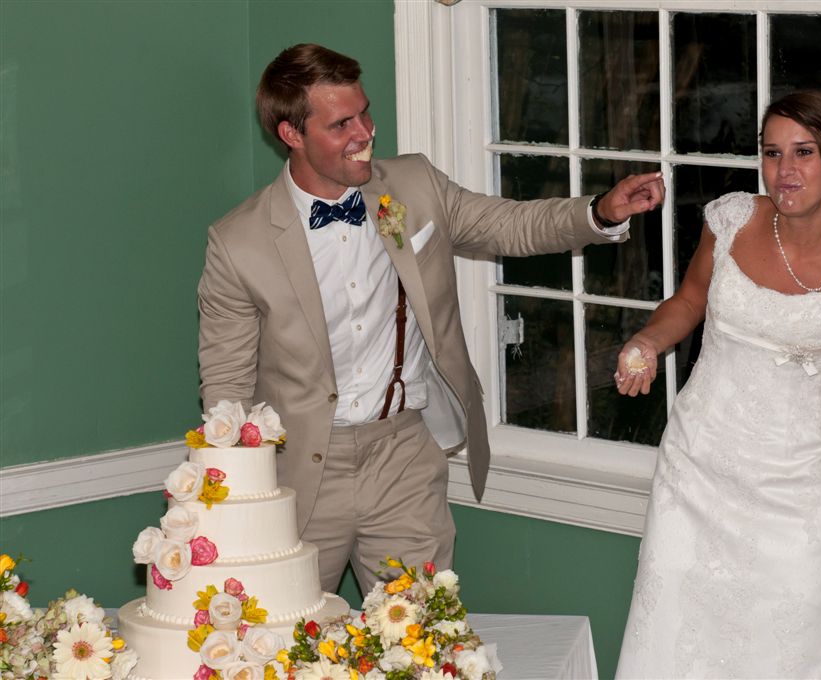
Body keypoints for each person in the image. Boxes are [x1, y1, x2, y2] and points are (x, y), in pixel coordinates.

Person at [197, 43, 665, 595]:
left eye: (365, 112)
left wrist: (600, 212)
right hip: (294, 472)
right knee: (284, 632)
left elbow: (507, 225)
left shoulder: (414, 185)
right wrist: (235, 495)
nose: (365, 132)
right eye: (341, 124)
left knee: (421, 629)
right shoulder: (239, 242)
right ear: (290, 134)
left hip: (402, 457)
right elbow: (226, 386)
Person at [614, 91, 821, 679]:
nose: (785, 170)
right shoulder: (731, 219)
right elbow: (689, 301)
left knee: (787, 649)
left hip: (796, 488)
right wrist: (647, 341)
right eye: (772, 153)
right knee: (672, 636)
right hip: (697, 468)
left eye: (804, 152)